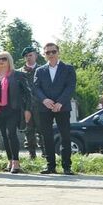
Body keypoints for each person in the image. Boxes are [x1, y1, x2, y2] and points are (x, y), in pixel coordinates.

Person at [34, 42, 77, 175]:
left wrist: (60, 102)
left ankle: (66, 166)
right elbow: (35, 87)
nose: (51, 54)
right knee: (47, 137)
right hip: (45, 108)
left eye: (53, 52)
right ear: (44, 54)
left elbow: (70, 86)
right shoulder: (40, 70)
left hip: (62, 108)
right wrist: (45, 100)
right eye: (48, 52)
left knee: (65, 136)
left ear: (58, 52)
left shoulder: (68, 68)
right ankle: (50, 166)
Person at [0, 51, 30, 174]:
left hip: (13, 109)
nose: (1, 61)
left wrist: (28, 109)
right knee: (4, 136)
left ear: (9, 61)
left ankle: (16, 162)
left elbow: (28, 93)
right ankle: (10, 160)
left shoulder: (17, 75)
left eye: (4, 59)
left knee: (11, 133)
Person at [17, 47, 42, 159]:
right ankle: (32, 156)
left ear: (35, 56)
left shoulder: (42, 70)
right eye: (26, 56)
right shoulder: (18, 73)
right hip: (26, 106)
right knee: (29, 131)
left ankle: (46, 156)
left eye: (30, 55)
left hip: (40, 105)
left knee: (43, 130)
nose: (28, 57)